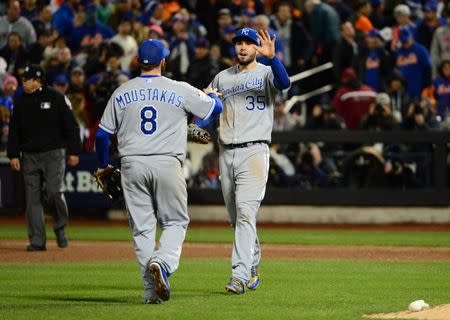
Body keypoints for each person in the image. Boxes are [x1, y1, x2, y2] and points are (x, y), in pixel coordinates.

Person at [94, 39, 222, 304]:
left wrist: (103, 164)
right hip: (166, 162)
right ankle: (162, 262)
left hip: (132, 164)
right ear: (164, 61)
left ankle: (151, 293)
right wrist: (210, 98)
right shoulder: (178, 88)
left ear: (138, 62)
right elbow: (215, 108)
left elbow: (102, 136)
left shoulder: (122, 91)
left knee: (142, 230)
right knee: (175, 222)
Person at [206, 27, 290, 294]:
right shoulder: (222, 77)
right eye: (239, 43)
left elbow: (285, 83)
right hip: (226, 151)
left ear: (256, 48)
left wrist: (273, 58)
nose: (242, 47)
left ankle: (239, 276)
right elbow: (207, 105)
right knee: (236, 217)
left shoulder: (265, 72)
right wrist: (204, 106)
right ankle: (252, 262)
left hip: (254, 151)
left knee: (245, 213)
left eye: (248, 43)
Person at [7, 64, 81, 251]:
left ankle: (60, 227)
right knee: (32, 199)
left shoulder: (56, 97)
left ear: (37, 79)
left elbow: (71, 126)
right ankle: (37, 240)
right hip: (29, 155)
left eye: (26, 79)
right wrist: (13, 154)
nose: (23, 82)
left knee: (54, 192)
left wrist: (74, 151)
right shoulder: (20, 101)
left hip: (53, 154)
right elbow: (14, 131)